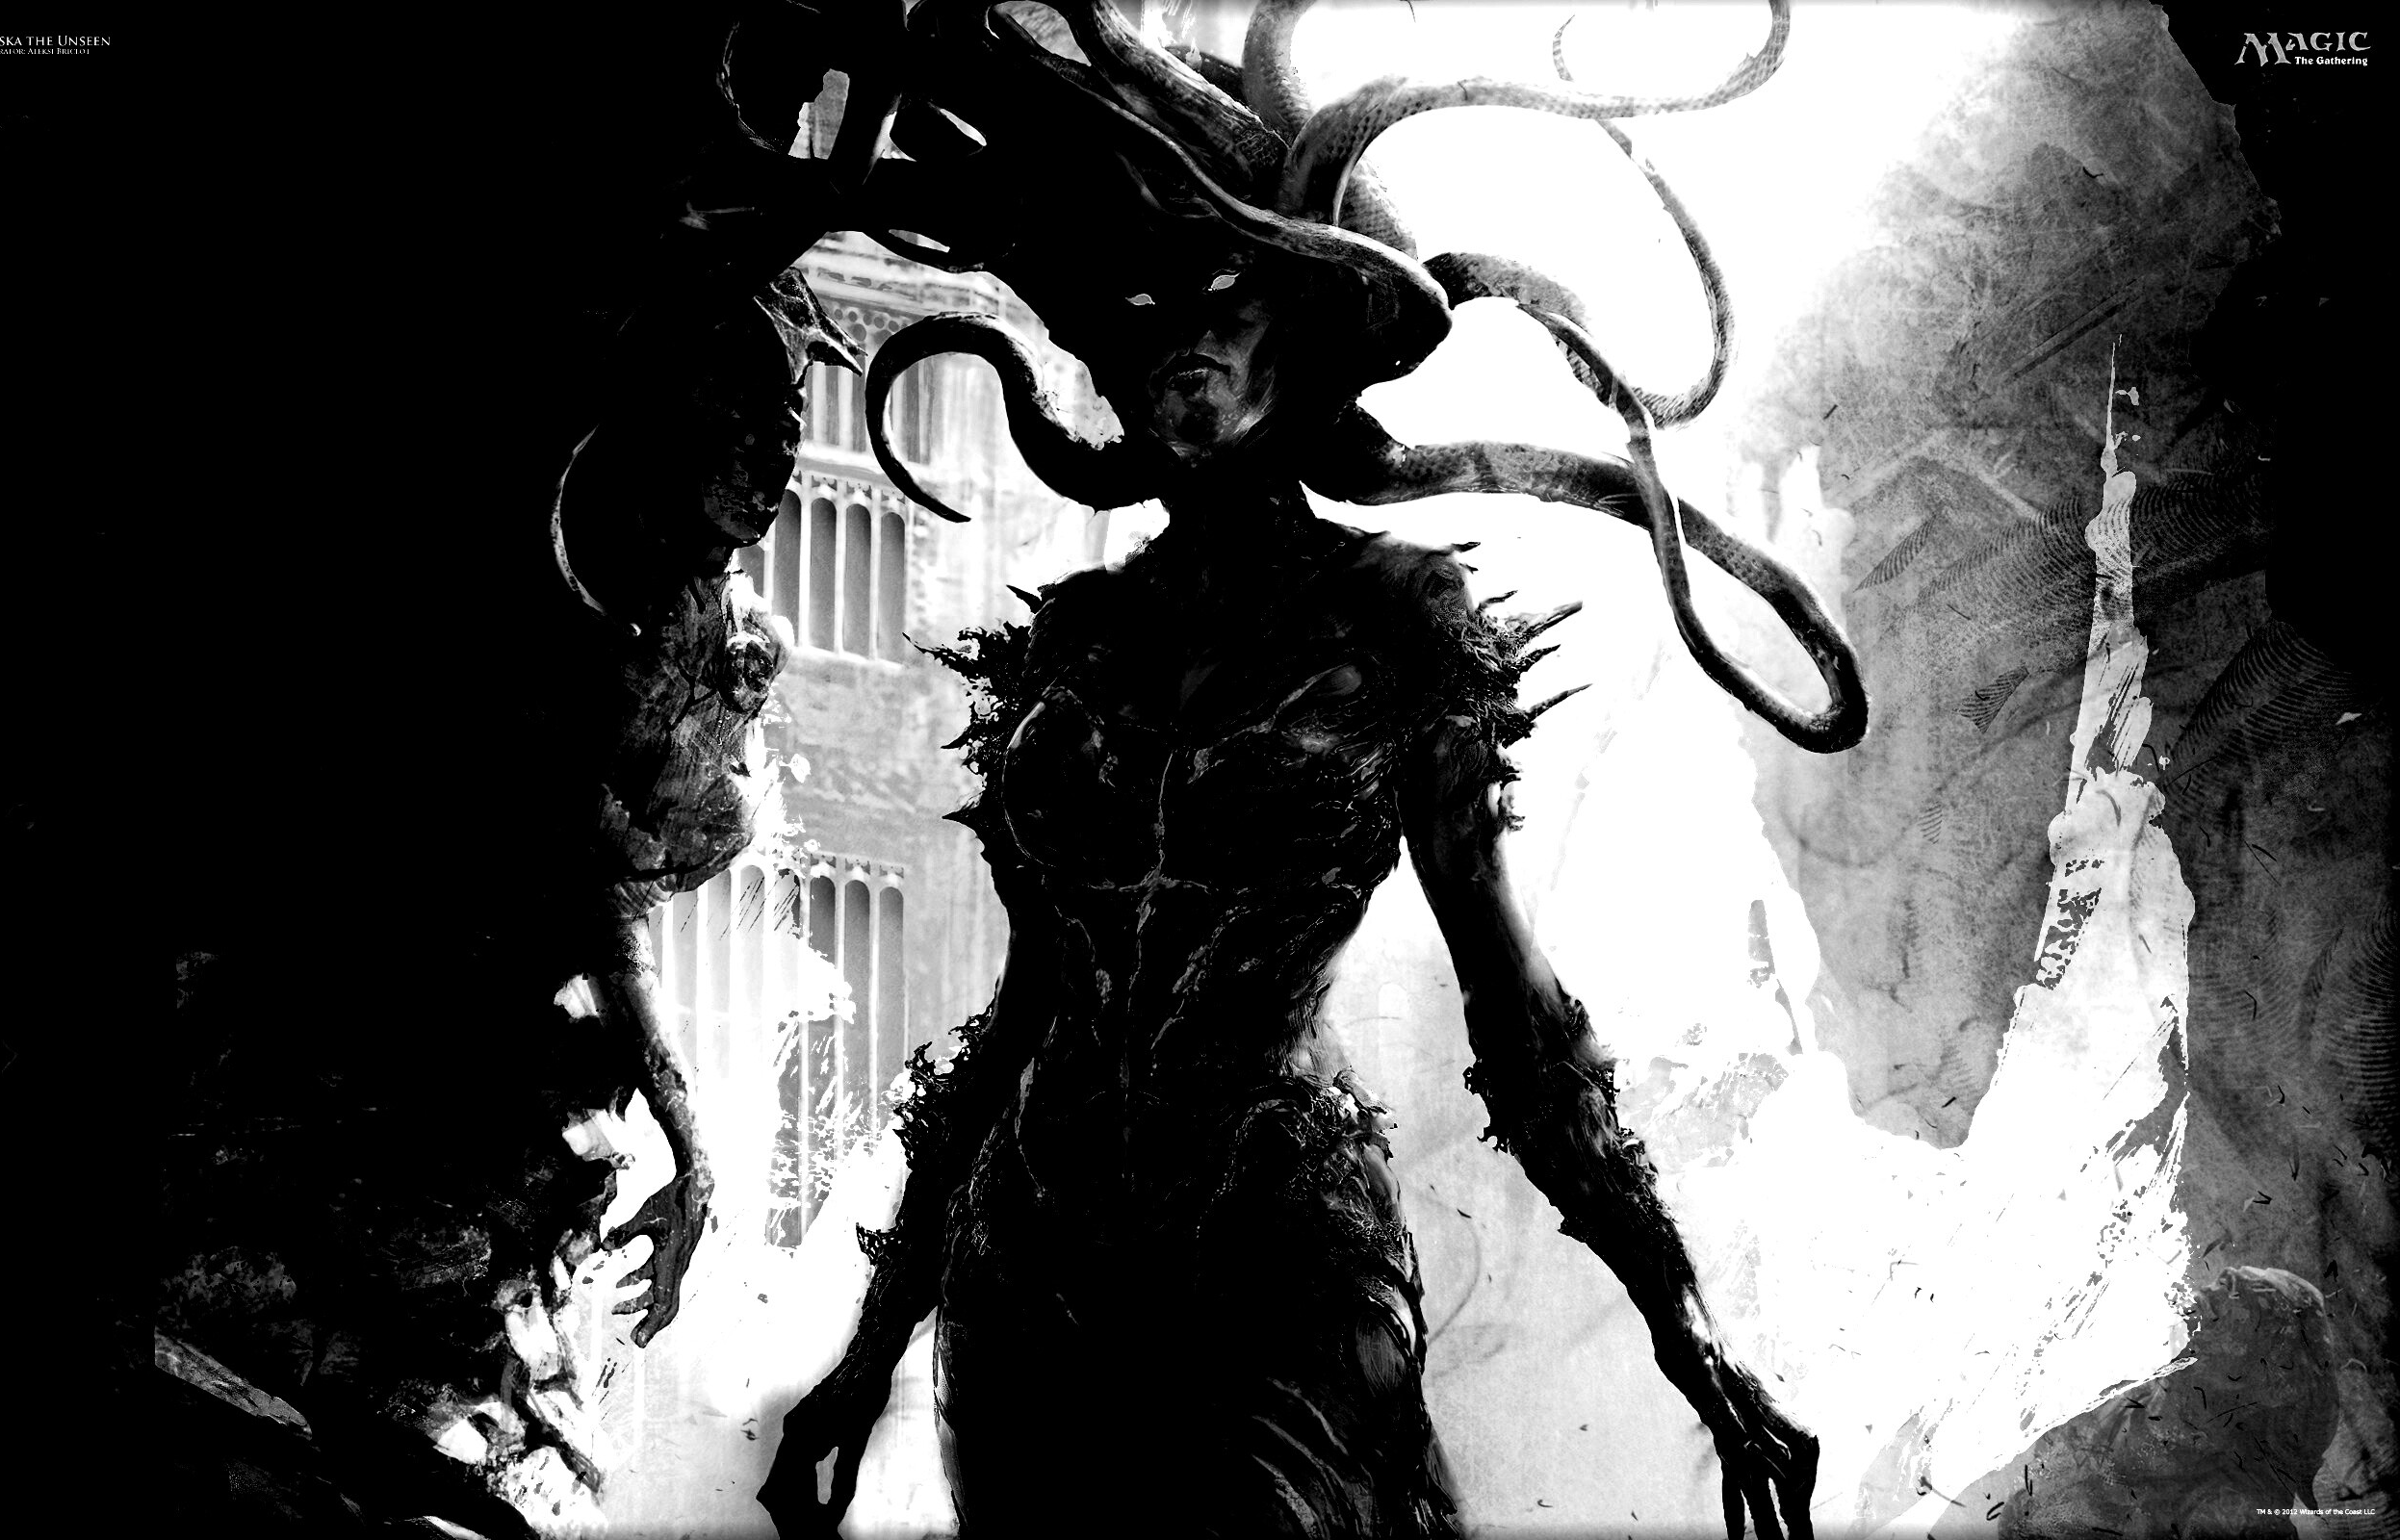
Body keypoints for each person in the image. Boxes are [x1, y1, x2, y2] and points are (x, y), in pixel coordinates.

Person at [751, 5, 1851, 1535]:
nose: (1196, 341)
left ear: (1316, 343)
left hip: (1271, 1262)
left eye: (1246, 297)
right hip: (1026, 1286)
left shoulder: (1395, 620)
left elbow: (1518, 1013)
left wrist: (1693, 1342)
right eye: (1166, 302)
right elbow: (1020, 1021)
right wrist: (867, 1363)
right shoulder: (1073, 649)